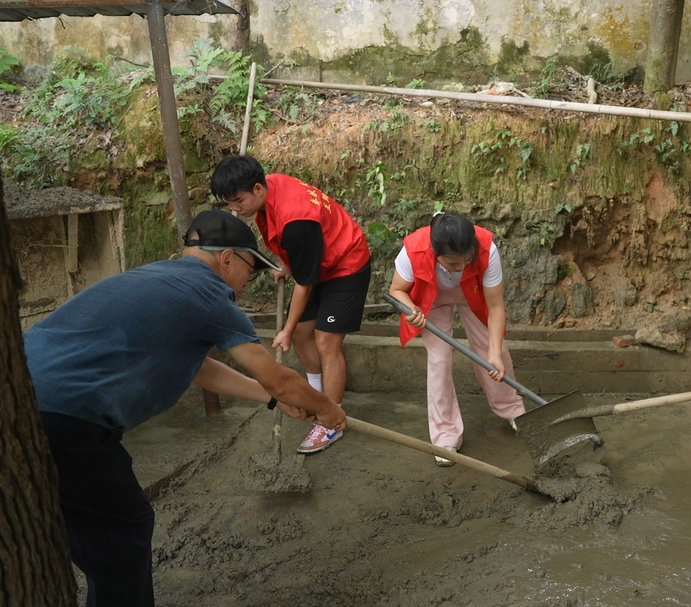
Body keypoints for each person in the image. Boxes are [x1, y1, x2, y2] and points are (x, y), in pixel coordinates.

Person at [25, 209, 348, 607]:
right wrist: (327, 409)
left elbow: (201, 369)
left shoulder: (154, 278)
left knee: (61, 528)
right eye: (252, 268)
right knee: (124, 530)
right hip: (67, 417)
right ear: (227, 259)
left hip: (19, 401)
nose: (250, 281)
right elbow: (278, 377)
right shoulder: (209, 295)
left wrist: (271, 399)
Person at [211, 155, 371, 455]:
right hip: (318, 261)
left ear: (258, 189)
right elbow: (296, 249)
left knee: (326, 341)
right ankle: (314, 396)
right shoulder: (272, 186)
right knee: (302, 333)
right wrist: (288, 263)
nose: (235, 208)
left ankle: (331, 419)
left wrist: (284, 328)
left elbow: (305, 281)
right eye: (229, 202)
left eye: (237, 200)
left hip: (346, 263)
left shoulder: (297, 219)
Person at [388, 212, 526, 466]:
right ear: (435, 252)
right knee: (439, 360)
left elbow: (495, 306)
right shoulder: (414, 250)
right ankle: (445, 436)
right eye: (452, 264)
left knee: (492, 351)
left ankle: (513, 411)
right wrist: (411, 310)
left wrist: (494, 352)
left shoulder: (486, 249)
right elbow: (396, 291)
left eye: (466, 260)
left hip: (472, 293)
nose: (461, 267)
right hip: (433, 298)